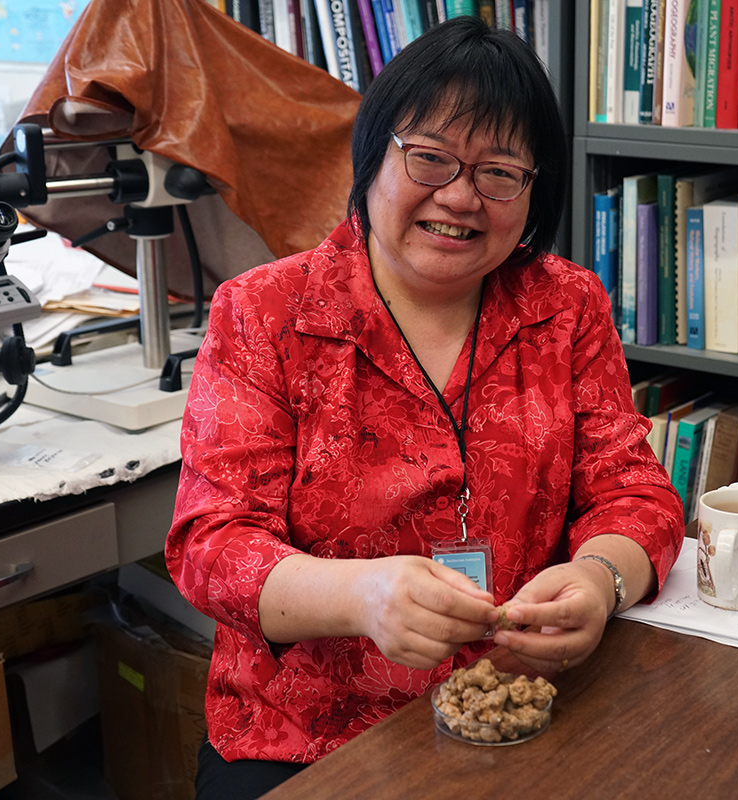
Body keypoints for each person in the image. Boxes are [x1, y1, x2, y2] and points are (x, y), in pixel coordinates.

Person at [166, 15, 685, 799]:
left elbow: (632, 489)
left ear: (533, 188)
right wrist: (359, 596)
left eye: (499, 172)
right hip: (312, 739)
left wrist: (600, 580)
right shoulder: (265, 313)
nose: (460, 197)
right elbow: (212, 545)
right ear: (373, 157)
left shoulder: (567, 305)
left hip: (524, 706)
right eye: (431, 159)